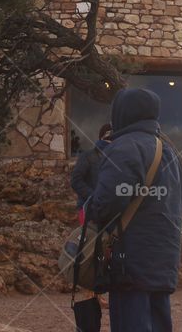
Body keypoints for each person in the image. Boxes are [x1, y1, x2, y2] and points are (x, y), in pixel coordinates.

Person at [86, 89, 182, 332]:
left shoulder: (124, 148)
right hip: (164, 257)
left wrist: (90, 208)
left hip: (129, 261)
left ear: (122, 113)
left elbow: (106, 203)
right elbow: (180, 205)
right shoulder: (170, 153)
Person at [70, 124, 112, 332]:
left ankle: (98, 293)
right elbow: (76, 180)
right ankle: (90, 294)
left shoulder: (116, 158)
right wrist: (93, 197)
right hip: (88, 212)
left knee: (104, 253)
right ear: (102, 136)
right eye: (109, 136)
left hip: (108, 213)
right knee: (89, 253)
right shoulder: (87, 156)